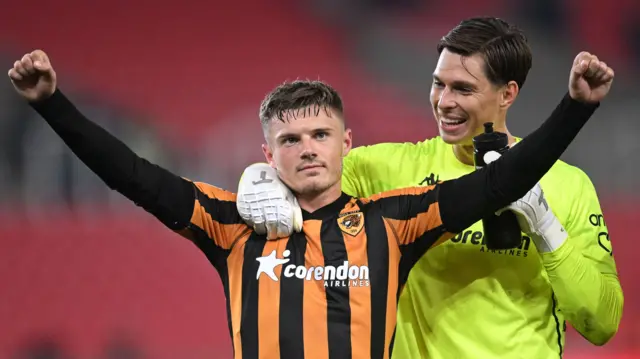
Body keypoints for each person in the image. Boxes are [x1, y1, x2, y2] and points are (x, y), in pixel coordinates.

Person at [8, 47, 610, 359]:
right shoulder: (233, 226)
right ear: (267, 154)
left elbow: (498, 185)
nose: (307, 150)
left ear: (347, 143)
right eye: (289, 140)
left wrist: (576, 108)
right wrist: (51, 104)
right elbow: (134, 177)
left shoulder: (395, 221)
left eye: (320, 135)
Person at [236, 17, 623, 358]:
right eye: (439, 84)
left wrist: (546, 229)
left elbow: (602, 322)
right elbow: (301, 174)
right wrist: (258, 177)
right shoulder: (383, 169)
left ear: (507, 94)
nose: (445, 102)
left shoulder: (567, 184)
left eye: (463, 89)